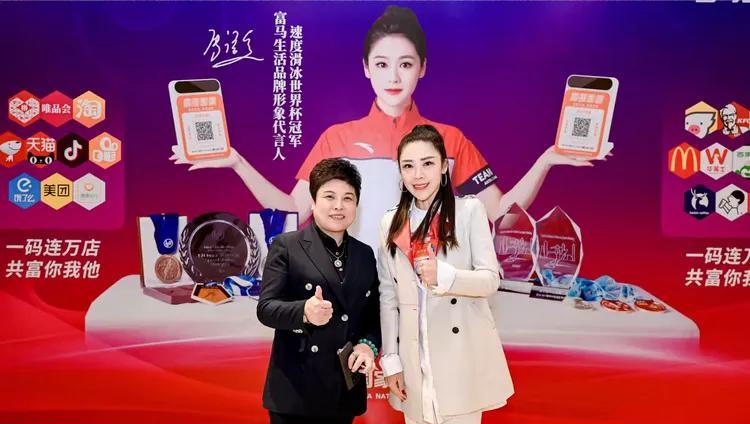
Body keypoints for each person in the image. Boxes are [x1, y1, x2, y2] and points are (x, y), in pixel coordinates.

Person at [171, 5, 597, 253]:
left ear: (422, 68)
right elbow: (291, 214)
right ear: (366, 69)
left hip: (430, 289)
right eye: (382, 64)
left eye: (405, 64)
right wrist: (237, 162)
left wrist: (547, 160)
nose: (393, 76)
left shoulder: (451, 140)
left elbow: (498, 213)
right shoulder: (336, 139)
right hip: (353, 285)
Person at [377, 125, 514, 424]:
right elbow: (388, 296)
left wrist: (447, 276)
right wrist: (392, 359)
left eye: (427, 163)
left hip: (460, 353)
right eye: (408, 166)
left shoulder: (469, 211)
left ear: (443, 167)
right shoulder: (391, 222)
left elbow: (490, 280)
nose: (417, 175)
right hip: (415, 358)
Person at [257, 158, 381, 424]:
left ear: (356, 205)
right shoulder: (287, 246)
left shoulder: (365, 255)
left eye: (347, 198)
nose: (338, 206)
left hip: (341, 386)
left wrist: (368, 346)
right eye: (329, 196)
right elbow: (266, 308)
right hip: (296, 386)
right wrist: (304, 312)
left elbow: (373, 317)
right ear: (313, 201)